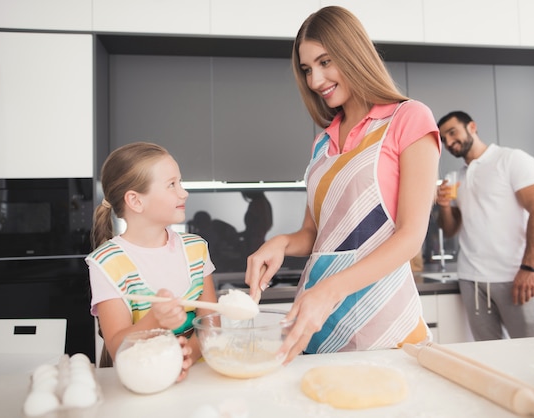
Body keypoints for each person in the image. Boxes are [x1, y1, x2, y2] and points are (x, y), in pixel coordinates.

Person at [244, 6, 441, 363]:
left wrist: (329, 291)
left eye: (325, 62)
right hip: (319, 318)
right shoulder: (322, 143)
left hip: (384, 318)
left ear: (353, 53)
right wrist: (281, 243)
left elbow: (411, 237)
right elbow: (315, 234)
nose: (315, 81)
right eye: (306, 69)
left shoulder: (408, 118)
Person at [86, 142, 217, 378]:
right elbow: (117, 349)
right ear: (136, 201)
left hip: (201, 379)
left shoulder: (196, 248)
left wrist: (186, 354)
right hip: (145, 383)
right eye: (171, 185)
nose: (183, 192)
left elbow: (210, 324)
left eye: (180, 182)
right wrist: (155, 319)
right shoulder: (107, 264)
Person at [435, 111, 534, 341]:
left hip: (515, 277)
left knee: (532, 351)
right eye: (443, 139)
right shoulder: (454, 177)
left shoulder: (512, 160)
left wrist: (529, 268)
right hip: (472, 281)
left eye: (452, 133)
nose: (448, 142)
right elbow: (450, 230)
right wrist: (445, 206)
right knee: (488, 356)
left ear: (472, 127)